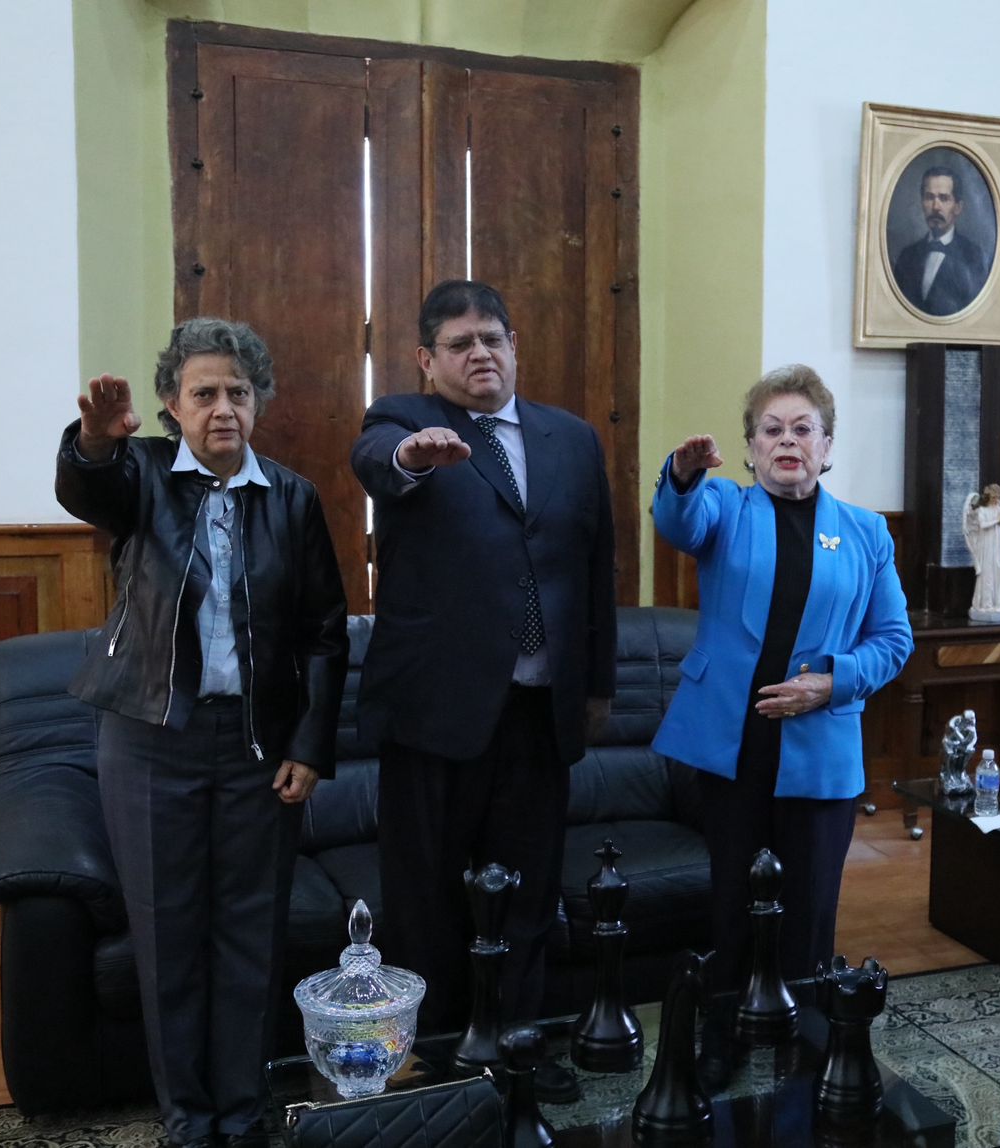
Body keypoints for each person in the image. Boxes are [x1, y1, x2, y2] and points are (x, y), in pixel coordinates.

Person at [55, 319, 349, 1148]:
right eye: (204, 393)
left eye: (238, 393)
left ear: (259, 403)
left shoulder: (291, 497)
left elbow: (325, 634)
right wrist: (92, 441)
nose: (223, 408)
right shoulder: (142, 475)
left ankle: (241, 1112)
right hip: (152, 743)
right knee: (169, 936)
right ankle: (188, 1121)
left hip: (259, 749)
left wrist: (309, 746)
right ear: (171, 405)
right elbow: (89, 490)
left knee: (251, 935)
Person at [351, 279, 615, 1102]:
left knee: (528, 900)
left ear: (514, 346)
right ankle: (431, 1068)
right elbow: (377, 462)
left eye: (492, 339)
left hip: (539, 713)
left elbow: (597, 567)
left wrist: (596, 686)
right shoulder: (400, 420)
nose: (480, 355)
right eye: (460, 344)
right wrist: (411, 456)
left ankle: (515, 1052)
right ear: (427, 360)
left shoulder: (572, 439)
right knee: (425, 906)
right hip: (435, 717)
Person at [652, 364, 914, 1086]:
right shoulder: (725, 509)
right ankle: (722, 1036)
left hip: (820, 749)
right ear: (750, 448)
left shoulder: (865, 533)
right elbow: (677, 521)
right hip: (733, 746)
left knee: (810, 910)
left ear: (827, 447)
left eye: (804, 429)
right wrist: (681, 474)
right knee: (734, 905)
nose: (787, 440)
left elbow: (893, 640)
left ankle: (809, 1038)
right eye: (772, 430)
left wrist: (832, 683)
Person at [892, 165, 989, 315]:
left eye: (944, 198)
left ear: (958, 207)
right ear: (922, 202)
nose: (936, 207)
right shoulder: (907, 256)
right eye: (929, 197)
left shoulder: (974, 257)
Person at [962, 483, 1000, 621]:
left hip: (997, 546)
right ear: (989, 497)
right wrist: (997, 520)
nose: (997, 500)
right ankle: (985, 604)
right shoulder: (982, 510)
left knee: (998, 572)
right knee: (987, 574)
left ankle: (999, 604)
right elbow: (983, 525)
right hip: (986, 545)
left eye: (999, 498)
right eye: (995, 498)